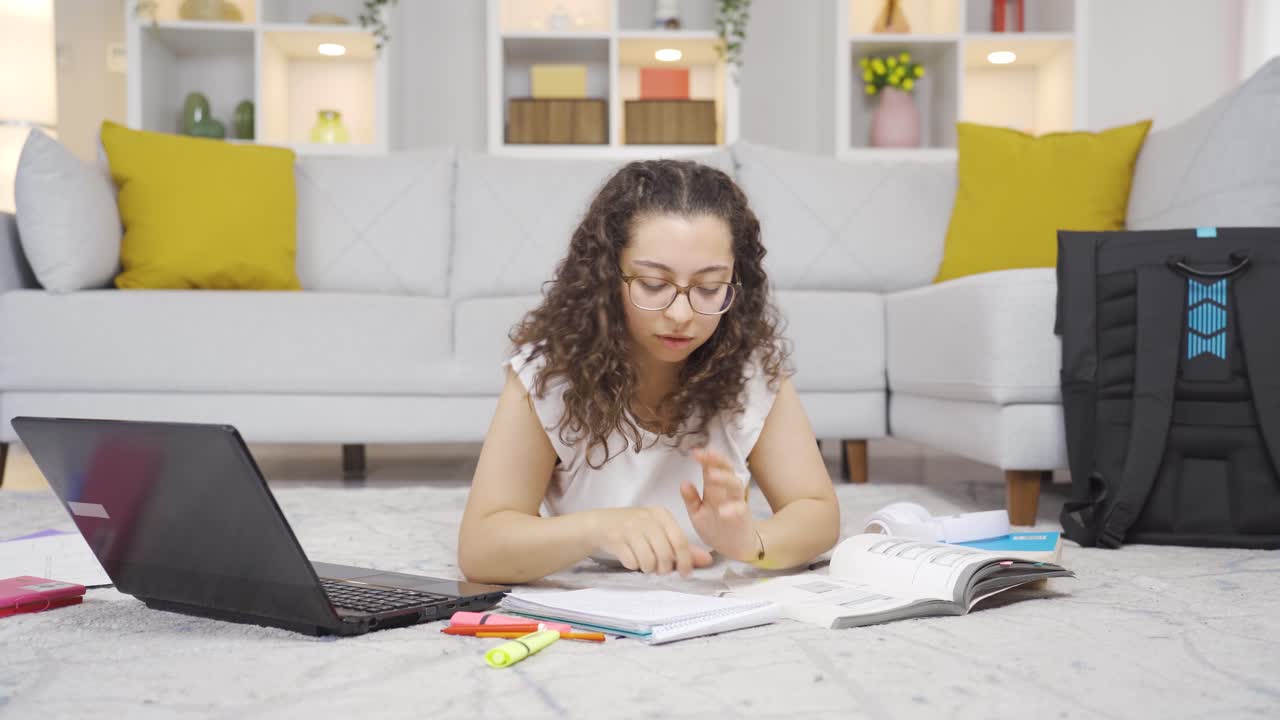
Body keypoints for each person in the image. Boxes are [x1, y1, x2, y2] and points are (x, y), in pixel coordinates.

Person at [458, 159, 840, 584]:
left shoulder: (750, 369)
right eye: (654, 285)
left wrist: (751, 541)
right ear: (607, 276)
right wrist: (596, 528)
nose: (681, 314)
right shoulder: (549, 374)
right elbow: (480, 548)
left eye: (709, 288)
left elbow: (817, 511)